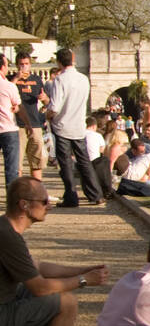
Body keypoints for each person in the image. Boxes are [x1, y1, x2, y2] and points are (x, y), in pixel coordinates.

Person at [0, 177, 109, 326]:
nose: (49, 206)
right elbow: (40, 288)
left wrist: (84, 269)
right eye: (44, 201)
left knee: (55, 286)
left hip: (5, 301)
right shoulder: (8, 236)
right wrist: (84, 280)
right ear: (24, 205)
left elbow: (39, 267)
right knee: (66, 302)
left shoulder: (5, 228)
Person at [44, 48, 103, 207]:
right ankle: (95, 194)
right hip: (78, 125)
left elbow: (55, 106)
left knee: (66, 164)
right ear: (73, 59)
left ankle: (71, 196)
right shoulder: (84, 79)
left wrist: (47, 115)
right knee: (84, 161)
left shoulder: (60, 80)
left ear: (59, 62)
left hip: (63, 126)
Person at [14, 52, 48, 182]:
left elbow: (47, 101)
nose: (24, 67)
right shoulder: (12, 79)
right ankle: (19, 191)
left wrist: (44, 98)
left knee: (37, 161)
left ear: (30, 65)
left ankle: (37, 189)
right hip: (18, 124)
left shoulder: (37, 80)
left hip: (35, 124)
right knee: (17, 162)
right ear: (17, 65)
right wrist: (16, 78)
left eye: (26, 64)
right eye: (21, 64)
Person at [0, 54, 22, 187]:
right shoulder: (9, 86)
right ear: (3, 67)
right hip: (8, 128)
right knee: (11, 168)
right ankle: (12, 201)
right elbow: (17, 106)